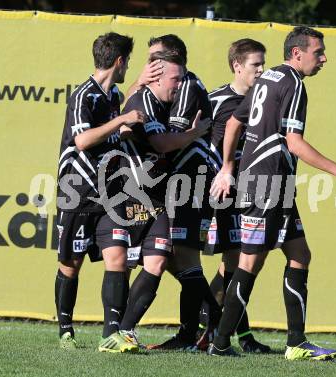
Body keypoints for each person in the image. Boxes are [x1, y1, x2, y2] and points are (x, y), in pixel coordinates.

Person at [207, 26, 336, 359]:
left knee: (299, 255)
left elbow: (236, 123)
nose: (323, 58)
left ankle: (295, 342)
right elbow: (293, 142)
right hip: (267, 185)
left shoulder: (267, 79)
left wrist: (227, 166)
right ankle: (220, 343)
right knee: (249, 263)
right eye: (318, 52)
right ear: (298, 53)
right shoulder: (293, 84)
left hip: (270, 185)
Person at [54, 32, 145, 353]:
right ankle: (65, 329)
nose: (127, 68)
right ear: (119, 61)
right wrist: (121, 120)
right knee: (71, 263)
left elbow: (112, 125)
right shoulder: (83, 95)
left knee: (117, 258)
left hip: (110, 193)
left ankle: (111, 334)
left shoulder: (113, 95)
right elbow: (82, 141)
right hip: (77, 190)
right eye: (128, 62)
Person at [115, 50, 210, 348]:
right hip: (135, 191)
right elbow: (159, 142)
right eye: (175, 79)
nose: (180, 85)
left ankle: (124, 332)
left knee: (158, 259)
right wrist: (193, 134)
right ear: (155, 76)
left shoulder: (161, 101)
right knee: (122, 262)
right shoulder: (144, 101)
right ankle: (114, 330)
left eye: (182, 78)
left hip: (159, 193)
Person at [132, 35, 222, 351]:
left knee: (182, 255)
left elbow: (171, 142)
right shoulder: (154, 86)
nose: (149, 67)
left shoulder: (187, 88)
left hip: (192, 176)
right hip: (175, 179)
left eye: (154, 60)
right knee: (171, 257)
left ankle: (195, 333)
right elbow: (131, 109)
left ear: (174, 62)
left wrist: (188, 134)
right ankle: (211, 322)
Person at [202, 38, 270, 353]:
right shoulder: (214, 100)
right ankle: (223, 333)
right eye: (256, 64)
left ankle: (215, 328)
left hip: (255, 194)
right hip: (223, 196)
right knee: (235, 264)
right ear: (237, 66)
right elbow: (196, 144)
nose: (262, 69)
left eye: (263, 63)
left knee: (236, 265)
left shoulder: (268, 99)